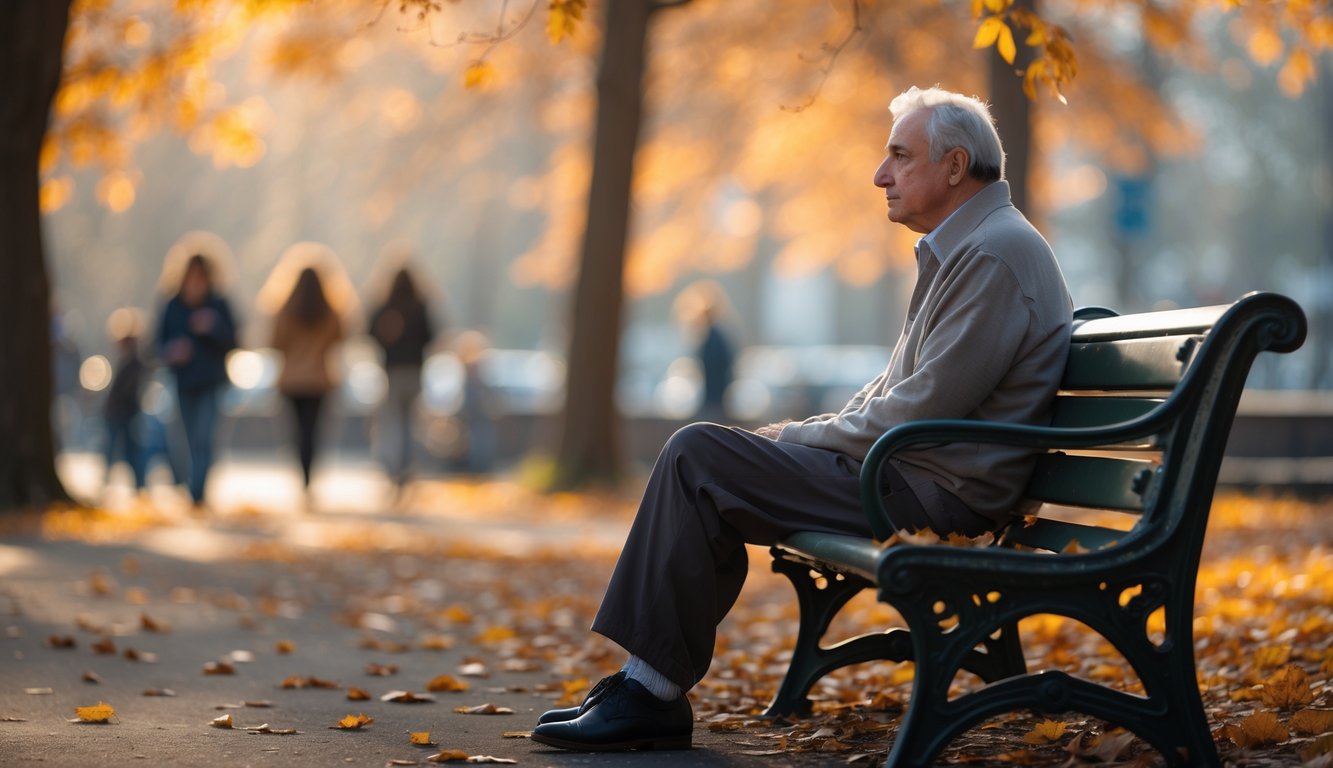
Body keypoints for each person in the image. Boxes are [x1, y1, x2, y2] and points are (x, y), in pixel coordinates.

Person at [530, 85, 1074, 752]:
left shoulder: (991, 252)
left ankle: (649, 691)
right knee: (705, 460)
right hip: (909, 474)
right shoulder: (969, 246)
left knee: (697, 456)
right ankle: (647, 686)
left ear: (955, 167)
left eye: (899, 157)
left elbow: (919, 409)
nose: (880, 175)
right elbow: (895, 392)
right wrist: (807, 437)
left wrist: (791, 436)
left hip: (930, 493)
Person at [157, 250, 238, 510]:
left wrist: (213, 327)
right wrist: (172, 351)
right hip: (183, 382)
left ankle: (197, 493)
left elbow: (235, 341)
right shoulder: (173, 305)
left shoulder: (218, 305)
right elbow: (156, 345)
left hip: (212, 382)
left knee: (205, 437)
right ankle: (191, 485)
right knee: (186, 439)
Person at [270, 264, 346, 499]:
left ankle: (302, 475)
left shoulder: (285, 310)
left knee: (296, 430)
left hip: (292, 381)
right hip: (318, 380)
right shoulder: (330, 311)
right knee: (312, 431)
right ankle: (309, 476)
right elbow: (340, 337)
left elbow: (275, 342)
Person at [368, 266, 437, 491]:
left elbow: (370, 332)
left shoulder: (385, 306)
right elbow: (431, 335)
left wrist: (389, 344)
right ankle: (406, 466)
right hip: (415, 370)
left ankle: (393, 465)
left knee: (393, 421)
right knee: (410, 422)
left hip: (393, 370)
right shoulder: (420, 306)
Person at [101, 308, 149, 499]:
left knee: (127, 450)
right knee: (120, 450)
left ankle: (139, 485)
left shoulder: (134, 362)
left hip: (124, 412)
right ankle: (135, 485)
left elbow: (126, 391)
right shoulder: (124, 360)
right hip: (120, 411)